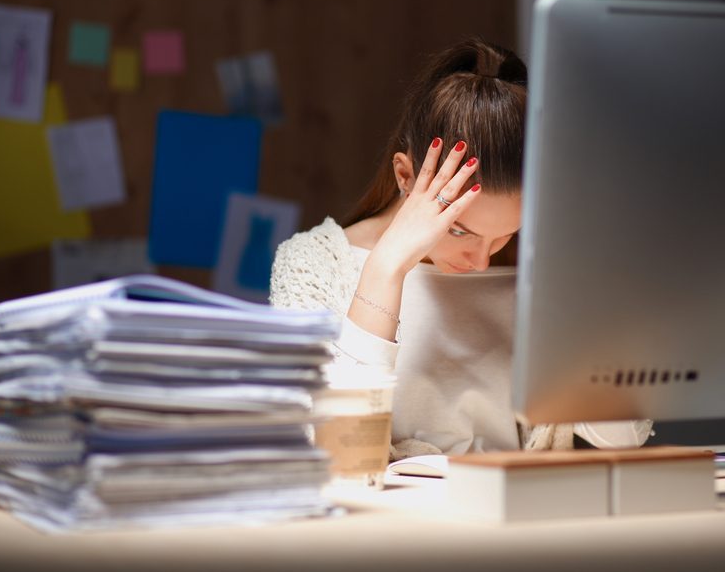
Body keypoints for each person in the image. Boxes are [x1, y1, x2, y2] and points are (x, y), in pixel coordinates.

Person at [270, 37, 651, 459]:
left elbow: (624, 438)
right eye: (459, 230)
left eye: (506, 233)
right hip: (388, 522)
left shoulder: (542, 273)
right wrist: (385, 270)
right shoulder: (314, 263)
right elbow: (328, 448)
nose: (482, 260)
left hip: (518, 515)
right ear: (405, 175)